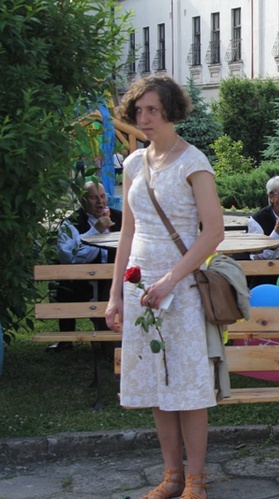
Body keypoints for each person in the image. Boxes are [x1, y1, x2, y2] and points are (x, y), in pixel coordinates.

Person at [105, 75, 224, 499]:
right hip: (140, 286)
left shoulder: (194, 161)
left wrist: (171, 278)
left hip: (182, 287)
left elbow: (213, 233)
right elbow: (126, 233)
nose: (144, 118)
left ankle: (196, 479)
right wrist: (117, 292)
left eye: (152, 110)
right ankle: (172, 475)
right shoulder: (133, 164)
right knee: (158, 382)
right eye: (138, 111)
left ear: (171, 111)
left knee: (188, 386)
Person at [54, 181, 122, 350]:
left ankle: (112, 342)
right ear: (82, 200)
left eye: (102, 196)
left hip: (116, 284)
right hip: (84, 285)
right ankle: (106, 343)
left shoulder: (121, 218)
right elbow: (70, 257)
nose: (100, 202)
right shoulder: (71, 224)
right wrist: (95, 232)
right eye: (93, 197)